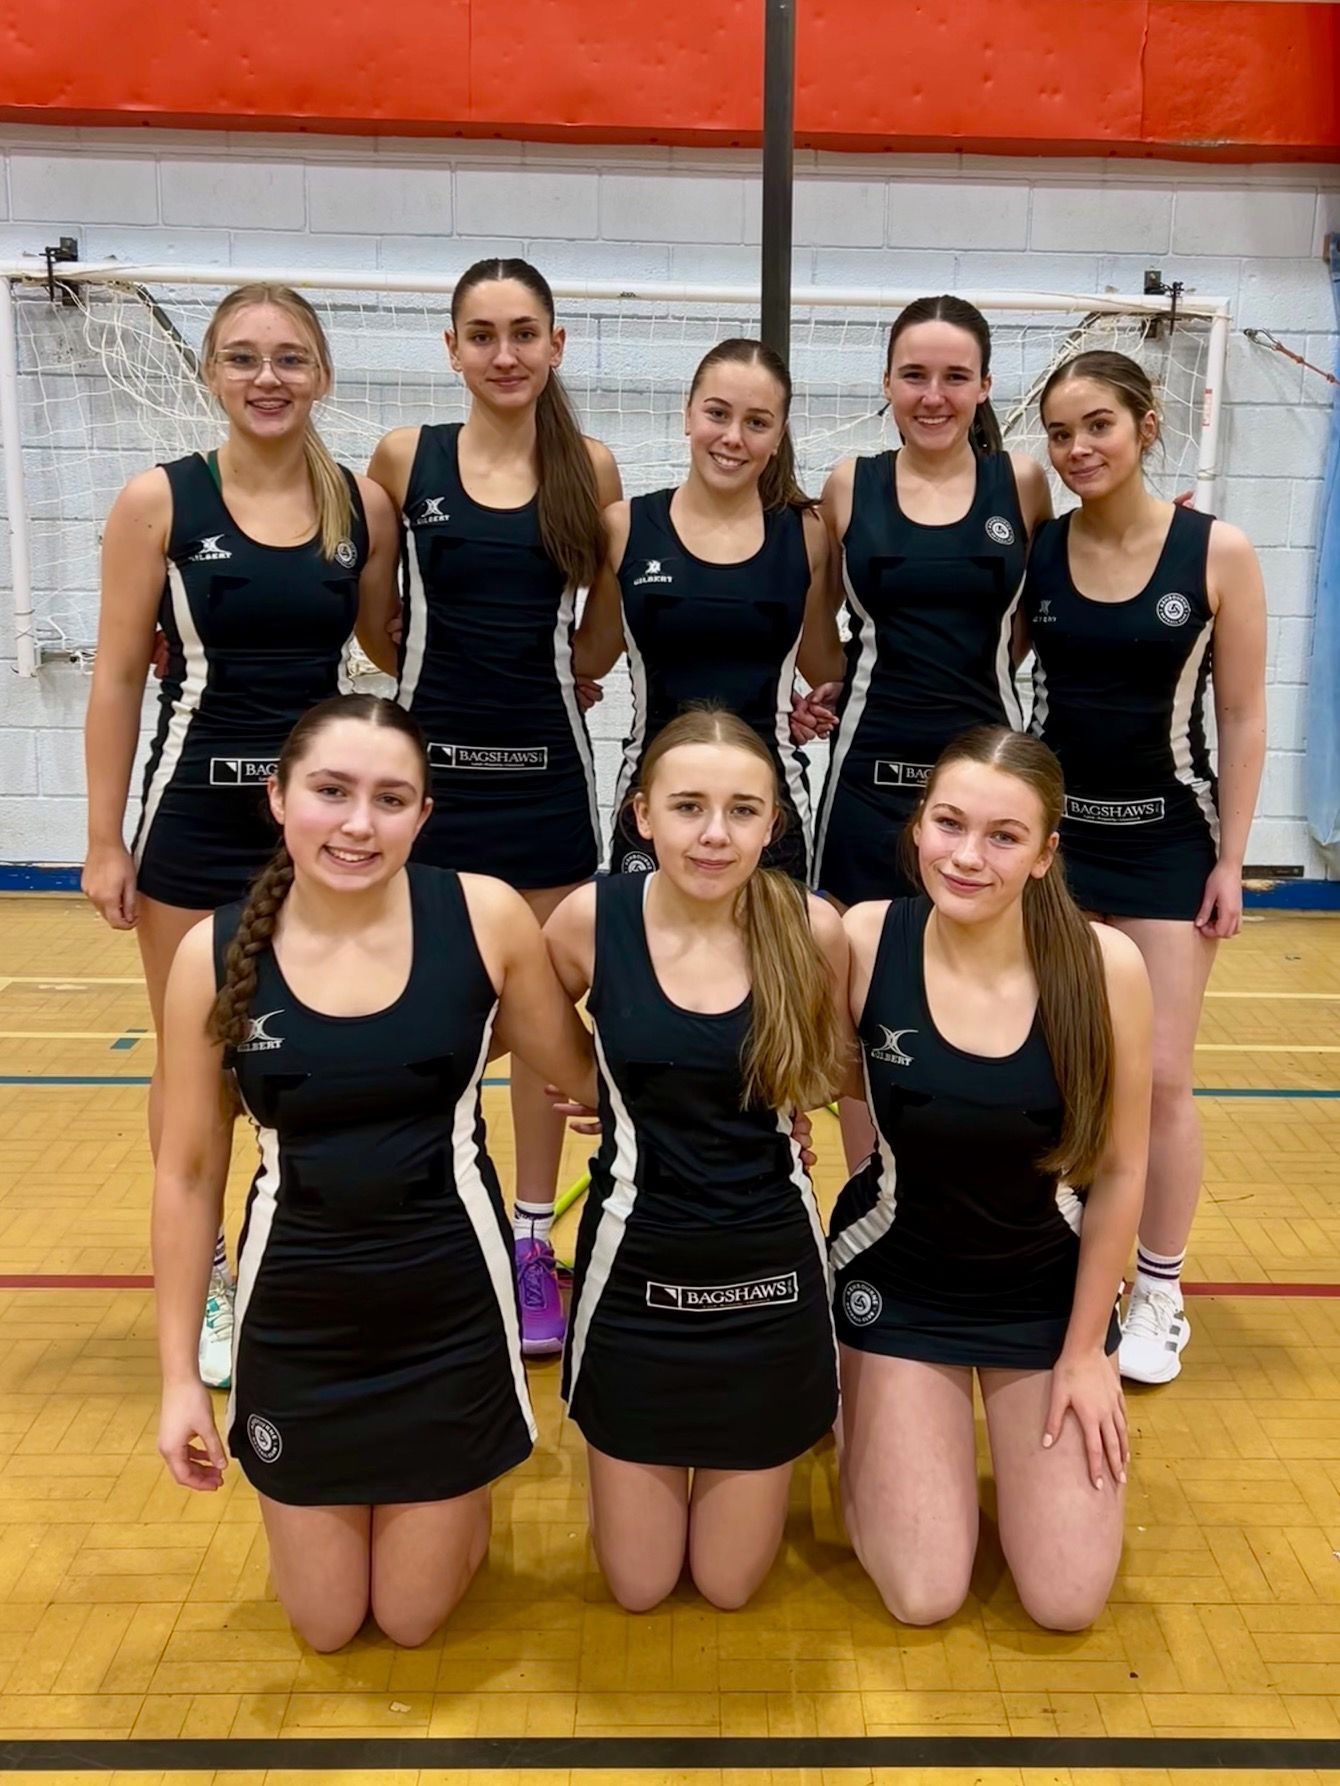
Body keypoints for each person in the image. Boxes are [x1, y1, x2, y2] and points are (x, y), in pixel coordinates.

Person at [152, 694, 598, 1651]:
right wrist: (179, 1378)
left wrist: (750, 1100)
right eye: (331, 791)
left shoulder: (483, 917)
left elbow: (591, 1081)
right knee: (324, 1622)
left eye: (391, 798)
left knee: (409, 1618)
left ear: (425, 815)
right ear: (278, 798)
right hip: (301, 1319)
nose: (358, 823)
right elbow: (187, 1176)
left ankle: (460, 1490)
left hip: (447, 1311)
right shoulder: (213, 952)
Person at [81, 284, 400, 1388]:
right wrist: (104, 838)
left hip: (318, 838)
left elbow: (391, 647)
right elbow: (120, 674)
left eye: (290, 359)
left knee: (315, 1054)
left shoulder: (360, 503)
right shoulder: (157, 503)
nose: (268, 378)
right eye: (245, 358)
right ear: (211, 373)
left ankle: (312, 1259)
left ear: (321, 374)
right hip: (194, 830)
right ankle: (210, 1277)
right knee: (196, 1072)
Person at [830, 726, 1152, 1631]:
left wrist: (1088, 1352)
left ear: (1047, 853)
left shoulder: (1104, 967)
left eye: (1004, 836)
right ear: (918, 826)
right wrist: (611, 1083)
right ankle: (863, 1406)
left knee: (1065, 1602)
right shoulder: (863, 939)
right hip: (900, 1280)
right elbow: (777, 1066)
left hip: (1044, 1299)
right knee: (925, 1594)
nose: (967, 857)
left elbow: (1125, 1170)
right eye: (948, 824)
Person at [368, 258, 621, 1358]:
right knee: (433, 1017)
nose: (505, 353)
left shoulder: (592, 467)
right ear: (451, 347)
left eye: (524, 333)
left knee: (539, 1022)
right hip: (431, 790)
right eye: (482, 334)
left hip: (548, 786)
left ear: (556, 345)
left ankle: (529, 1240)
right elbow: (381, 625)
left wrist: (563, 674)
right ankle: (439, 1227)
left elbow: (604, 633)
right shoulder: (402, 460)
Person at [543, 707, 849, 1611]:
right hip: (635, 1276)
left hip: (768, 1279)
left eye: (743, 811)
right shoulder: (584, 921)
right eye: (687, 807)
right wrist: (601, 1088)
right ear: (642, 815)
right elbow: (520, 1027)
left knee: (727, 1585)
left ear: (774, 824)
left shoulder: (812, 929)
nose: (714, 835)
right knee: (637, 1587)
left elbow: (830, 1073)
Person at [1024, 350, 1267, 1385]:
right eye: (1060, 433)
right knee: (1066, 1075)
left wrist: (1231, 858)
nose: (1078, 449)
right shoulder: (1037, 551)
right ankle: (1071, 1265)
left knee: (1160, 1078)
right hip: (1059, 852)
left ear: (1144, 425)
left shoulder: (1218, 551)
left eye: (1097, 427)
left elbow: (1245, 712)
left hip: (1168, 844)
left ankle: (1157, 1290)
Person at [808, 294, 1053, 905]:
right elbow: (813, 622)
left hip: (987, 769)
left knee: (976, 959)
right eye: (914, 375)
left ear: (985, 386)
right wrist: (846, 680)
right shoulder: (849, 484)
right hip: (868, 769)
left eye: (956, 377)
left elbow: (1030, 620)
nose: (933, 396)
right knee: (848, 958)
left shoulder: (1020, 483)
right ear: (888, 381)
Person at [574, 337, 841, 881]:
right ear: (688, 416)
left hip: (769, 810)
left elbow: (824, 666)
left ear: (778, 436)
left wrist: (807, 701)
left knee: (772, 966)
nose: (732, 438)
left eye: (757, 422)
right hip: (655, 803)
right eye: (717, 413)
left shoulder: (807, 534)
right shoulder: (626, 527)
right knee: (645, 962)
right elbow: (586, 657)